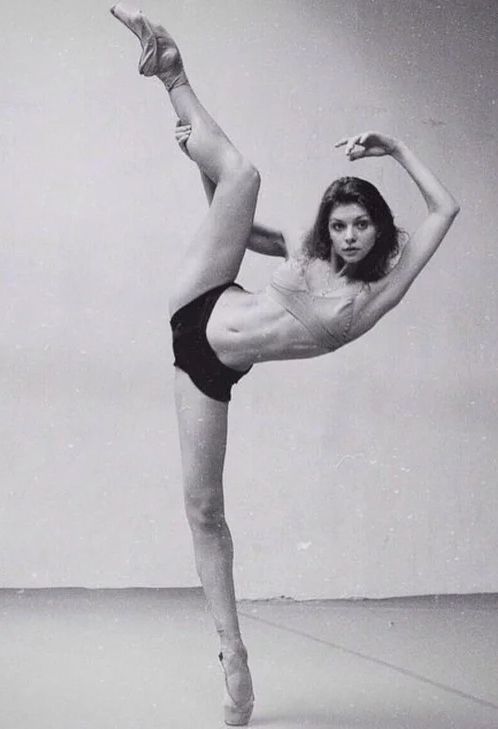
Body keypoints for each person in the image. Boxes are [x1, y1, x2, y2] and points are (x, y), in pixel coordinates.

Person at [110, 5, 460, 725]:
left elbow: (446, 207)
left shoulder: (378, 293)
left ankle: (232, 656)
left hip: (209, 366)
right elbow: (239, 231)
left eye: (361, 224)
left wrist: (394, 144)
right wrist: (206, 173)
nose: (349, 234)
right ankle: (170, 69)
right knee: (242, 176)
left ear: (380, 229)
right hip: (202, 298)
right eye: (340, 223)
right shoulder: (308, 250)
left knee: (206, 511)